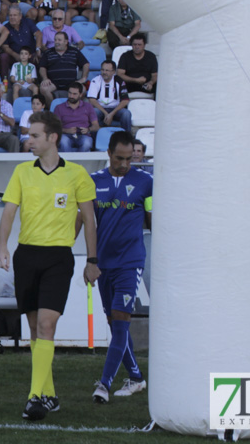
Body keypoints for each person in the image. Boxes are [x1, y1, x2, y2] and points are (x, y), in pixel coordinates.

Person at [0, 111, 98, 421]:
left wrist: (92, 259)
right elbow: (9, 213)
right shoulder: (21, 172)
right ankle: (49, 395)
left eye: (35, 136)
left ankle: (34, 398)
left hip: (58, 258)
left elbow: (89, 220)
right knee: (35, 332)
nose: (29, 140)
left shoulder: (78, 174)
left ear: (52, 138)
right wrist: (2, 246)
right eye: (28, 136)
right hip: (27, 255)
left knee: (47, 326)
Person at [89, 131, 151, 403]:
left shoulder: (146, 181)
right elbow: (88, 223)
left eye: (130, 158)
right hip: (103, 264)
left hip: (130, 262)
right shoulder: (93, 182)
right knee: (114, 324)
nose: (126, 163)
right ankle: (136, 377)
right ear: (109, 154)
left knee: (121, 321)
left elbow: (152, 218)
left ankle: (104, 384)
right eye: (120, 158)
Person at [39, 32, 89, 100]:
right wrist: (45, 78)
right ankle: (52, 108)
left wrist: (83, 78)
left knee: (82, 90)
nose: (56, 42)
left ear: (66, 41)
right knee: (43, 89)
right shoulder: (48, 52)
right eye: (55, 40)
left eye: (59, 40)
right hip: (53, 82)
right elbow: (42, 67)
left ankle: (75, 109)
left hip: (71, 82)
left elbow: (86, 64)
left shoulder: (74, 51)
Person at [53, 82, 99, 152]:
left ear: (80, 94)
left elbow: (96, 126)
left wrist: (88, 129)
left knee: (87, 143)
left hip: (83, 135)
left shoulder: (88, 106)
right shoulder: (59, 108)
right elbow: (54, 128)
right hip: (66, 135)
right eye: (70, 93)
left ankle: (80, 162)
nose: (71, 96)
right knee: (63, 142)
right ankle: (68, 162)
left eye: (74, 94)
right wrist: (67, 130)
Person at [87, 61, 132, 132]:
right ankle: (94, 140)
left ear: (113, 72)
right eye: (102, 70)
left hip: (115, 109)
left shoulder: (119, 81)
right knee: (94, 112)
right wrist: (106, 113)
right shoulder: (95, 80)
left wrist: (111, 114)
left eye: (107, 70)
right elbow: (92, 100)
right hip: (100, 109)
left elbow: (125, 100)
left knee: (126, 113)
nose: (104, 72)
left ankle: (127, 138)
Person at [116, 34, 157, 98]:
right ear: (131, 45)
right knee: (118, 83)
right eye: (135, 44)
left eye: (139, 45)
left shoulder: (151, 56)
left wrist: (150, 83)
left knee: (159, 85)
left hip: (146, 84)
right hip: (129, 84)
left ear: (144, 45)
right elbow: (120, 74)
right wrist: (136, 80)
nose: (137, 47)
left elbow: (155, 75)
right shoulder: (125, 56)